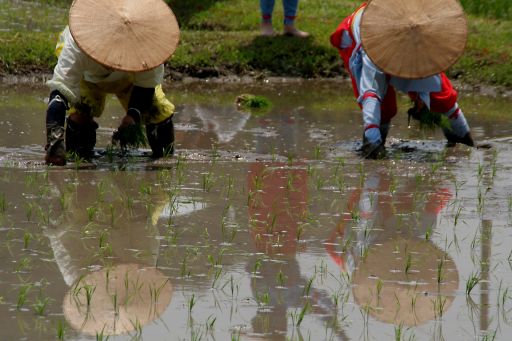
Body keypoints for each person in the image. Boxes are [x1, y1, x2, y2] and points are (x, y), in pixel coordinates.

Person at [330, 0, 476, 158]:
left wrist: (467, 142)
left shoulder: (423, 35)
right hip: (364, 37)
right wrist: (372, 143)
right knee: (385, 108)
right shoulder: (372, 48)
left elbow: (441, 94)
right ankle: (376, 142)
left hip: (409, 26)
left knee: (439, 98)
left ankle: (460, 137)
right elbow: (370, 94)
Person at [44, 0, 180, 166]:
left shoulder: (149, 49)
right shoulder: (76, 46)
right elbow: (60, 92)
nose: (111, 62)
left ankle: (164, 161)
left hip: (131, 76)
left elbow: (146, 85)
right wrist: (54, 141)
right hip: (88, 78)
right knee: (80, 118)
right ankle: (80, 163)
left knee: (158, 113)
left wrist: (133, 116)